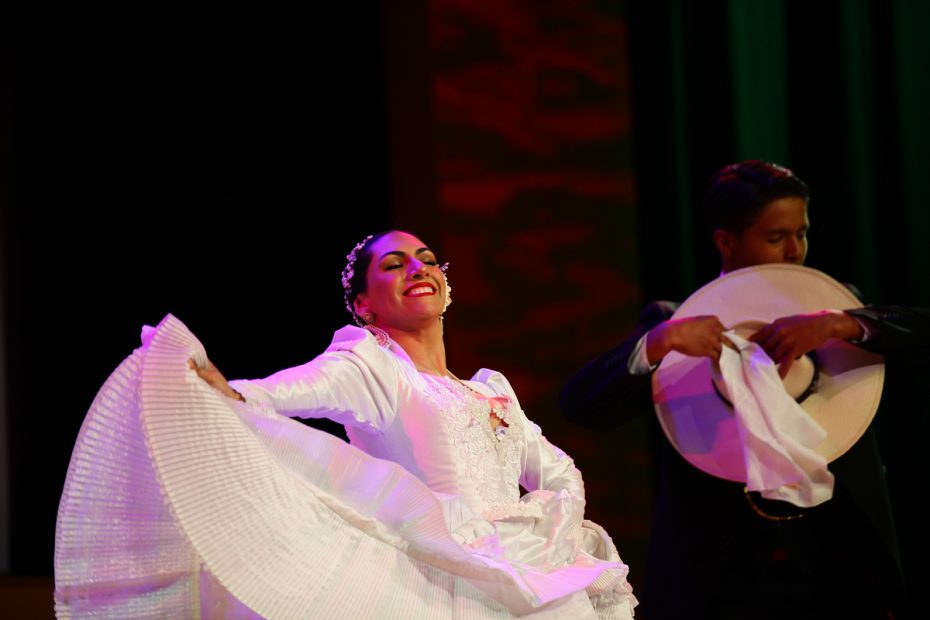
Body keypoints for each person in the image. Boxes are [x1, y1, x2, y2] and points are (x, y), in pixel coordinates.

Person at [55, 230, 636, 619]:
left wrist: (555, 535)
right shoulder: (372, 364)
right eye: (394, 263)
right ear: (363, 304)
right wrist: (227, 391)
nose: (418, 268)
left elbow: (557, 469)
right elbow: (285, 393)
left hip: (533, 563)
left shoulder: (492, 389)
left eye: (428, 260)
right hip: (445, 574)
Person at [560, 161, 929, 619]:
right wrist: (659, 343)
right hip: (720, 577)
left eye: (803, 232)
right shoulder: (676, 319)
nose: (796, 250)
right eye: (776, 237)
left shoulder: (833, 306)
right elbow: (581, 405)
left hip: (839, 568)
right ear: (726, 242)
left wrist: (845, 322)